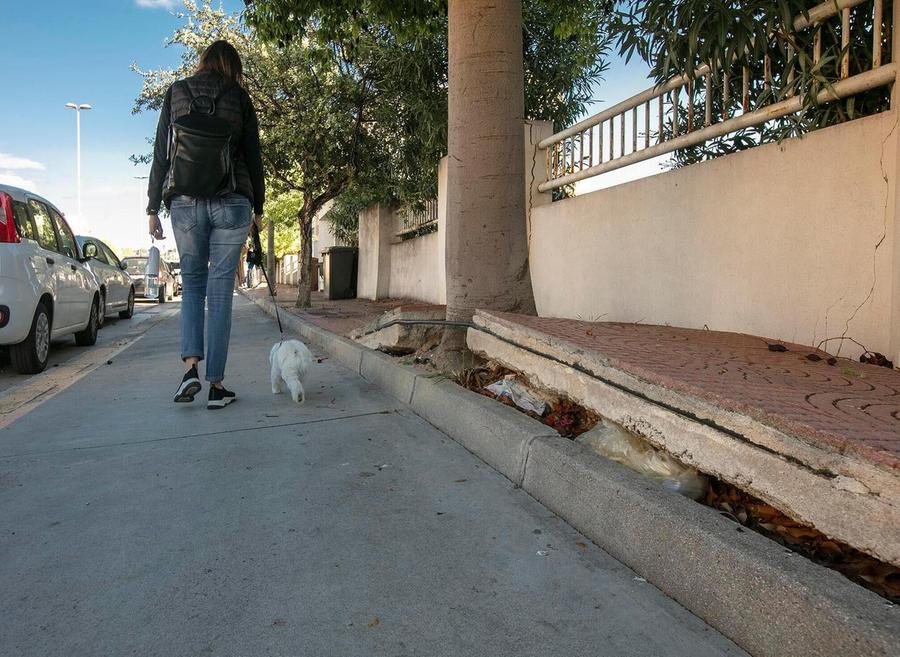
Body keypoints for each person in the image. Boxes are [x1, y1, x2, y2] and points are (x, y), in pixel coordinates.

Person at [146, 40, 265, 409]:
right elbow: (253, 156)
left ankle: (190, 371)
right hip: (231, 201)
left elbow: (161, 153)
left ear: (203, 62)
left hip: (184, 202)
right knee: (219, 292)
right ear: (233, 66)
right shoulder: (239, 97)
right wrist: (257, 207)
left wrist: (152, 207)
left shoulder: (176, 92)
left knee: (193, 286)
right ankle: (216, 386)